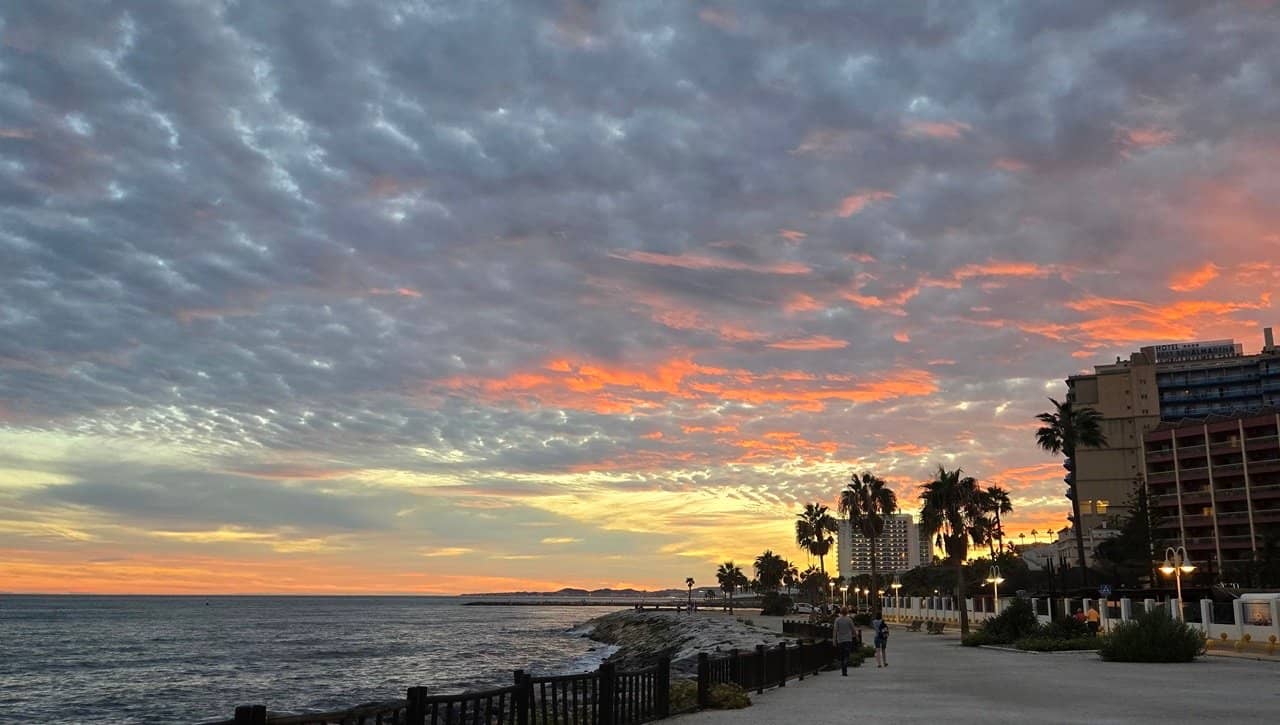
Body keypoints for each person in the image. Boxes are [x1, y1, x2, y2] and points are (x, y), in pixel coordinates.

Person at [832, 607, 856, 676]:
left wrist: (834, 639)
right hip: (848, 639)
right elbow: (853, 629)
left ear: (840, 612)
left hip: (840, 640)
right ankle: (845, 664)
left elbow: (835, 630)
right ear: (847, 612)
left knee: (842, 656)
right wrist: (856, 636)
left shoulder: (837, 620)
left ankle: (843, 671)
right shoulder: (849, 620)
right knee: (847, 655)